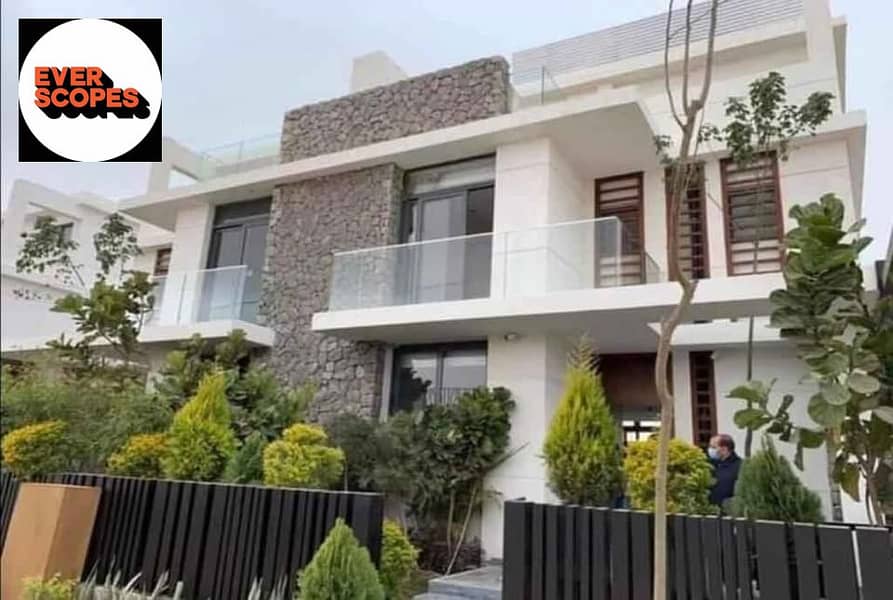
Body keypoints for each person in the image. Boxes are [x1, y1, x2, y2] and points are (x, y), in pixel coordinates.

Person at [708, 434, 742, 511]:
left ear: (724, 449)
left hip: (728, 513)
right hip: (709, 512)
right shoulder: (711, 465)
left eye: (713, 447)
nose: (710, 450)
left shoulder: (740, 466)